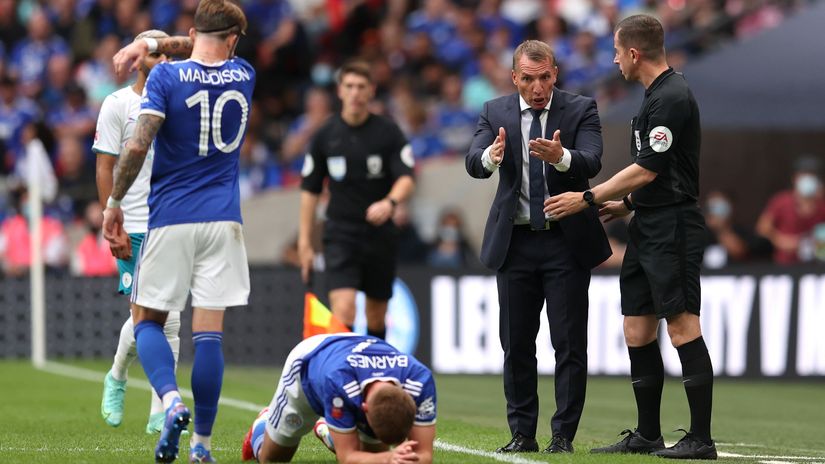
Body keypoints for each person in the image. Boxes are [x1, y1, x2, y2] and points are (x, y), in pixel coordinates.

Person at [545, 14, 717, 459]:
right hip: (648, 221)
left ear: (634, 53)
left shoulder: (672, 97)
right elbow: (662, 172)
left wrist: (587, 197)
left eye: (618, 51)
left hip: (673, 227)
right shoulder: (654, 97)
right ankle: (647, 434)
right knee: (637, 327)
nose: (615, 59)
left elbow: (647, 168)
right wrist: (629, 205)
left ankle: (701, 439)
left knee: (681, 325)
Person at [103, 1, 253, 462]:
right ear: (233, 39)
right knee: (209, 335)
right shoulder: (244, 74)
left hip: (171, 218)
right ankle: (202, 447)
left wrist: (113, 202)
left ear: (192, 30)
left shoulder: (166, 78)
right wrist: (150, 43)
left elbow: (137, 144)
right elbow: (203, 45)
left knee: (147, 319)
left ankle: (169, 402)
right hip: (224, 222)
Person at [465, 39, 610, 454]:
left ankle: (562, 434)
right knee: (516, 344)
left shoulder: (581, 108)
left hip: (565, 242)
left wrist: (562, 156)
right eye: (527, 79)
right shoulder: (495, 112)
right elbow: (473, 161)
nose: (537, 87)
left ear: (555, 74)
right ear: (514, 78)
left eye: (544, 77)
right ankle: (522, 433)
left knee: (568, 343)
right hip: (516, 243)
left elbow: (593, 160)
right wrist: (492, 157)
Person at [94, 29, 183, 435]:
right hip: (133, 220)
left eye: (167, 50)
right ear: (138, 59)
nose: (162, 56)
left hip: (174, 219)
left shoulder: (180, 102)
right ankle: (117, 375)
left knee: (172, 319)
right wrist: (111, 217)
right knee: (148, 315)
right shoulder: (118, 105)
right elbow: (105, 166)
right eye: (153, 51)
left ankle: (159, 408)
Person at [298, 60, 416, 340]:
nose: (355, 93)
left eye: (361, 87)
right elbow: (310, 190)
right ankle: (345, 378)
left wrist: (389, 203)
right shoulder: (325, 136)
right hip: (340, 233)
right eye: (349, 86)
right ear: (339, 91)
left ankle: (372, 375)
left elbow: (407, 177)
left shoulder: (388, 133)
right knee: (344, 308)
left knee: (376, 313)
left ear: (371, 91)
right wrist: (304, 242)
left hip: (379, 234)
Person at [240, 333, 436, 463]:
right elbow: (347, 457)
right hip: (308, 364)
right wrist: (389, 457)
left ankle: (329, 429)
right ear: (364, 409)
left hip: (353, 351)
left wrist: (403, 457)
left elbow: (424, 454)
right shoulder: (339, 382)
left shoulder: (420, 380)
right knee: (273, 459)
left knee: (373, 456)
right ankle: (264, 422)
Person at [756, 156, 825, 265]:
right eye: (803, 175)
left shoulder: (822, 204)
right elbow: (762, 228)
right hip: (785, 265)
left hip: (816, 266)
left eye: (812, 175)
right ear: (795, 178)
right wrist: (781, 241)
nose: (808, 179)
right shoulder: (781, 201)